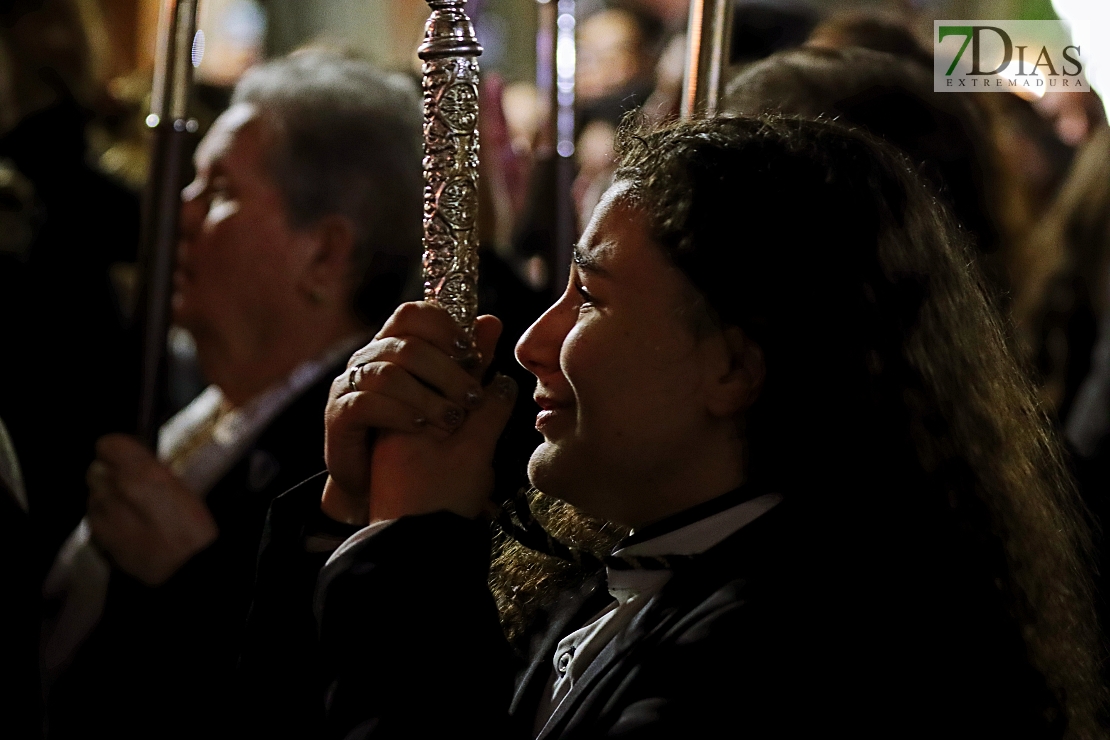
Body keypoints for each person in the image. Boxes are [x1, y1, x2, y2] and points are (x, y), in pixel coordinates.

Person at [281, 115, 1104, 738]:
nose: (532, 343)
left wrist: (410, 553)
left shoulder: (795, 654)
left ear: (735, 367)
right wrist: (353, 513)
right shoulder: (643, 568)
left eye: (592, 298)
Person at [42, 49, 423, 740]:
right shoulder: (213, 399)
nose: (176, 215)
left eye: (217, 191)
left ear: (325, 254)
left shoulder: (352, 462)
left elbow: (303, 710)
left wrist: (190, 577)